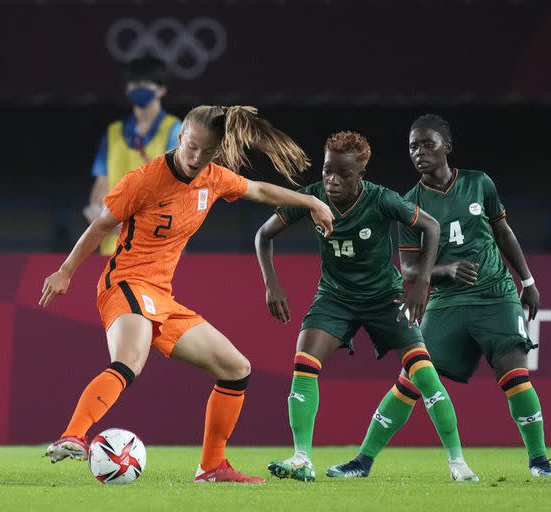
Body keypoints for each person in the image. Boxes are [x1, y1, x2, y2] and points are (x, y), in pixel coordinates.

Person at [39, 105, 335, 484]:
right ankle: (73, 435)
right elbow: (100, 226)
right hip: (125, 284)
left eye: (207, 152)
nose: (197, 158)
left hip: (162, 297)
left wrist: (312, 201)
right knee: (130, 361)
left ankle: (212, 467)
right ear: (180, 138)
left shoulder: (213, 179)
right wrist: (66, 271)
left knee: (236, 369)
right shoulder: (143, 181)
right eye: (191, 147)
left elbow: (259, 190)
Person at [329, 114, 551, 478]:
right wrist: (445, 271)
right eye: (412, 146)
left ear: (446, 147)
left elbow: (503, 233)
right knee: (410, 379)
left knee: (515, 375)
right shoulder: (409, 202)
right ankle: (362, 461)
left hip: (495, 294)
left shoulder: (479, 183)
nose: (419, 152)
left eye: (427, 144)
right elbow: (407, 268)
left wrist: (527, 281)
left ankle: (540, 462)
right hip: (446, 302)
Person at [256, 131, 478, 483]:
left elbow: (431, 227)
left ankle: (458, 462)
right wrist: (272, 284)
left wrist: (420, 282)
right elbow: (263, 235)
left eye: (343, 174)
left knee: (423, 374)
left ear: (361, 174)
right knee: (303, 362)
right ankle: (301, 457)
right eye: (328, 170)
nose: (332, 180)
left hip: (384, 298)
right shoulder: (312, 198)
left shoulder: (382, 200)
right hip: (334, 298)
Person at [84, 56, 182, 255]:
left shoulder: (176, 131)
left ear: (162, 89)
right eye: (134, 83)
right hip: (114, 252)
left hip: (158, 250)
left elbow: (177, 195)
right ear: (127, 89)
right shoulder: (113, 133)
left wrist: (112, 223)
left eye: (146, 83)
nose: (139, 88)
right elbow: (97, 197)